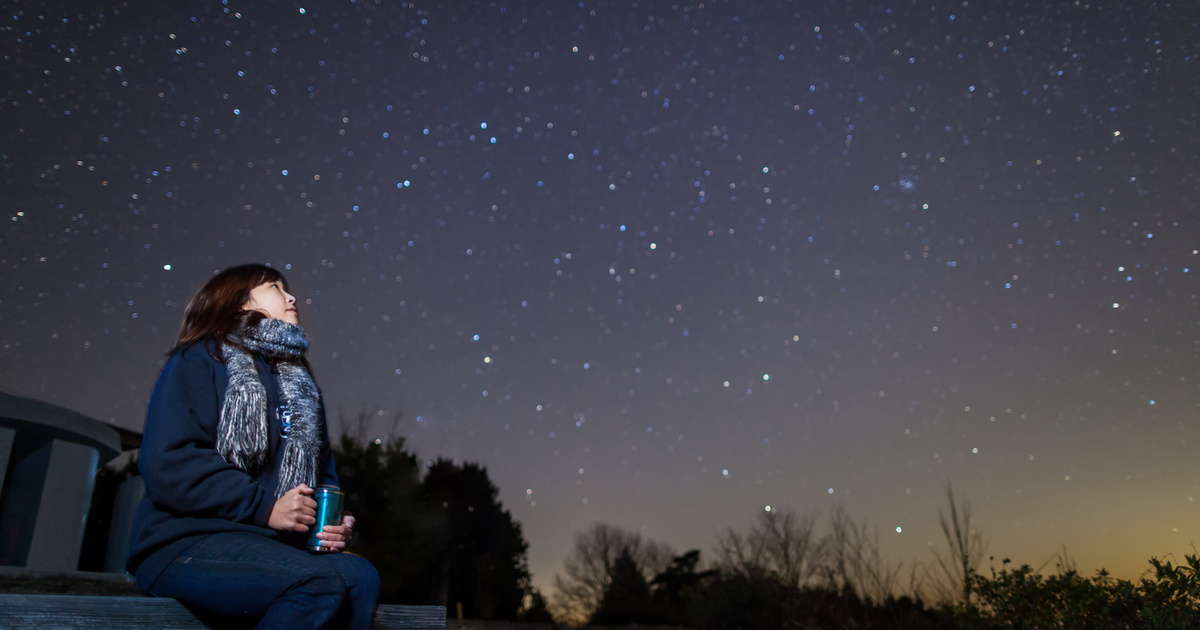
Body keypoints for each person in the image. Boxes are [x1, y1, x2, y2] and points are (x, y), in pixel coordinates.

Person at [126, 264, 380, 629]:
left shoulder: (302, 386)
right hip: (185, 543)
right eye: (276, 287)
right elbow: (170, 463)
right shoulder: (200, 359)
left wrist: (331, 525)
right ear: (240, 304)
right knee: (317, 584)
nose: (292, 297)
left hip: (272, 548)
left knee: (360, 576)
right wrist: (265, 508)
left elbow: (324, 477)